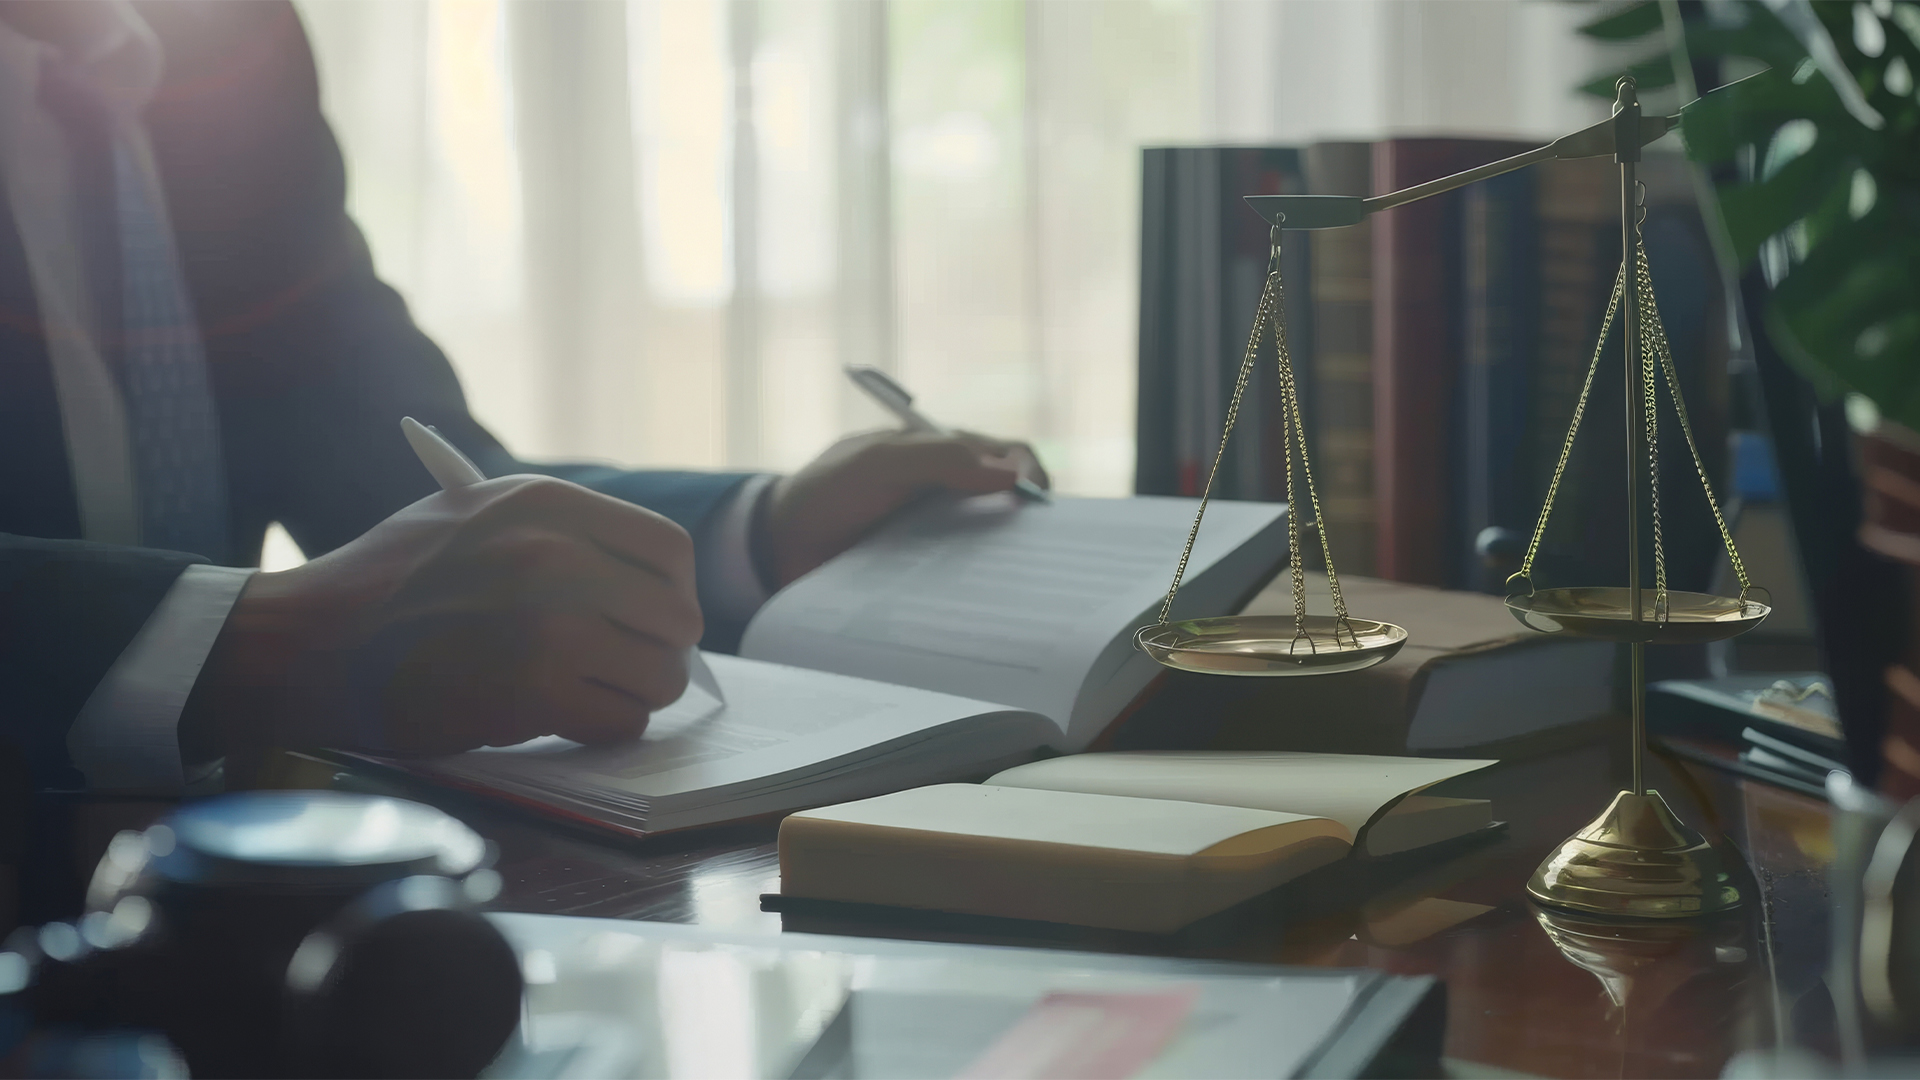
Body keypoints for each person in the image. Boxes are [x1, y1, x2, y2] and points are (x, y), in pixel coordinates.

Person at [0, 0, 1046, 814]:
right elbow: (326, 613)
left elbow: (406, 477)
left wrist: (765, 527)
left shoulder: (223, 48)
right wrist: (249, 646)